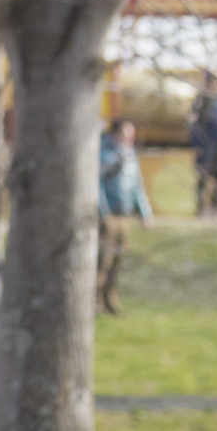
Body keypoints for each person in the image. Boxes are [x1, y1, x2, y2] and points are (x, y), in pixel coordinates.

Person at [97, 119, 152, 316]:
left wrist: (144, 213)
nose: (130, 138)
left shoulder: (130, 156)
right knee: (103, 260)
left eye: (131, 134)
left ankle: (110, 299)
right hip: (109, 215)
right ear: (115, 134)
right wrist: (102, 212)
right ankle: (96, 302)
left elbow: (137, 186)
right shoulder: (104, 154)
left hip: (125, 214)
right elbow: (97, 185)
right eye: (126, 134)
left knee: (117, 260)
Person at [188, 71, 217, 218]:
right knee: (204, 175)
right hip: (206, 142)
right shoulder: (202, 99)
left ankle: (215, 208)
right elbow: (195, 123)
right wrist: (197, 145)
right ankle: (201, 208)